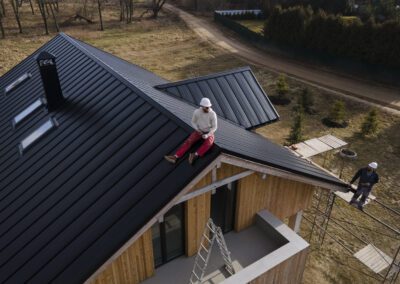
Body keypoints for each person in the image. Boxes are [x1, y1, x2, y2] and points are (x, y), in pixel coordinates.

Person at [165, 97, 217, 165]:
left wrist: (208, 135)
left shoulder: (212, 114)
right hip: (199, 130)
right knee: (189, 141)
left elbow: (214, 127)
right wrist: (197, 129)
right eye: (206, 107)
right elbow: (193, 122)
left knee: (209, 143)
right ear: (202, 106)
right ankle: (175, 157)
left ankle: (194, 155)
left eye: (208, 107)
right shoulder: (197, 112)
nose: (207, 108)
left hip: (208, 132)